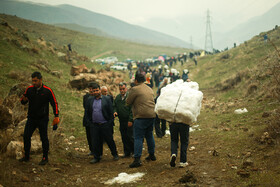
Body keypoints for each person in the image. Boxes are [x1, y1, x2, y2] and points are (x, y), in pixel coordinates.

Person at [19, 72, 59, 165]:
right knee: (26, 136)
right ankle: (27, 156)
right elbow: (23, 102)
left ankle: (45, 157)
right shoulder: (29, 89)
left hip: (43, 118)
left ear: (41, 80)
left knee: (44, 138)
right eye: (32, 80)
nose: (34, 83)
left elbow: (54, 103)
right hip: (31, 118)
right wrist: (23, 100)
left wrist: (56, 116)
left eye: (36, 81)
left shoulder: (48, 90)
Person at [126, 71, 156, 168]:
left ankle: (137, 159)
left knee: (138, 137)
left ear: (136, 80)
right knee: (149, 135)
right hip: (151, 115)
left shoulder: (135, 89)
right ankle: (152, 154)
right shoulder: (149, 89)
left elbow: (128, 101)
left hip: (141, 116)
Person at [84, 82, 119, 164]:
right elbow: (87, 113)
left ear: (99, 90)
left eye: (97, 90)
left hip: (105, 124)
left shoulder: (106, 99)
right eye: (94, 91)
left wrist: (109, 123)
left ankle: (115, 154)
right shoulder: (89, 100)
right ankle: (97, 156)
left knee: (109, 140)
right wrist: (90, 123)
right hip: (94, 125)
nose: (96, 92)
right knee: (95, 141)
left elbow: (111, 112)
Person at [113, 82, 134, 158]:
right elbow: (114, 105)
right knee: (124, 136)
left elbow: (133, 109)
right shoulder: (118, 97)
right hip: (122, 121)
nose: (122, 91)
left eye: (123, 89)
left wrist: (130, 120)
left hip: (129, 120)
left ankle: (134, 151)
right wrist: (115, 111)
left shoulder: (130, 97)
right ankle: (127, 152)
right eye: (120, 89)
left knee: (131, 136)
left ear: (126, 89)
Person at [83, 82, 103, 156]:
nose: (91, 91)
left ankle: (97, 151)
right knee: (89, 135)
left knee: (96, 137)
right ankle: (92, 150)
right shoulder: (86, 97)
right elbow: (85, 107)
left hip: (97, 120)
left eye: (92, 89)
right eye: (90, 89)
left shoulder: (98, 97)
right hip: (88, 119)